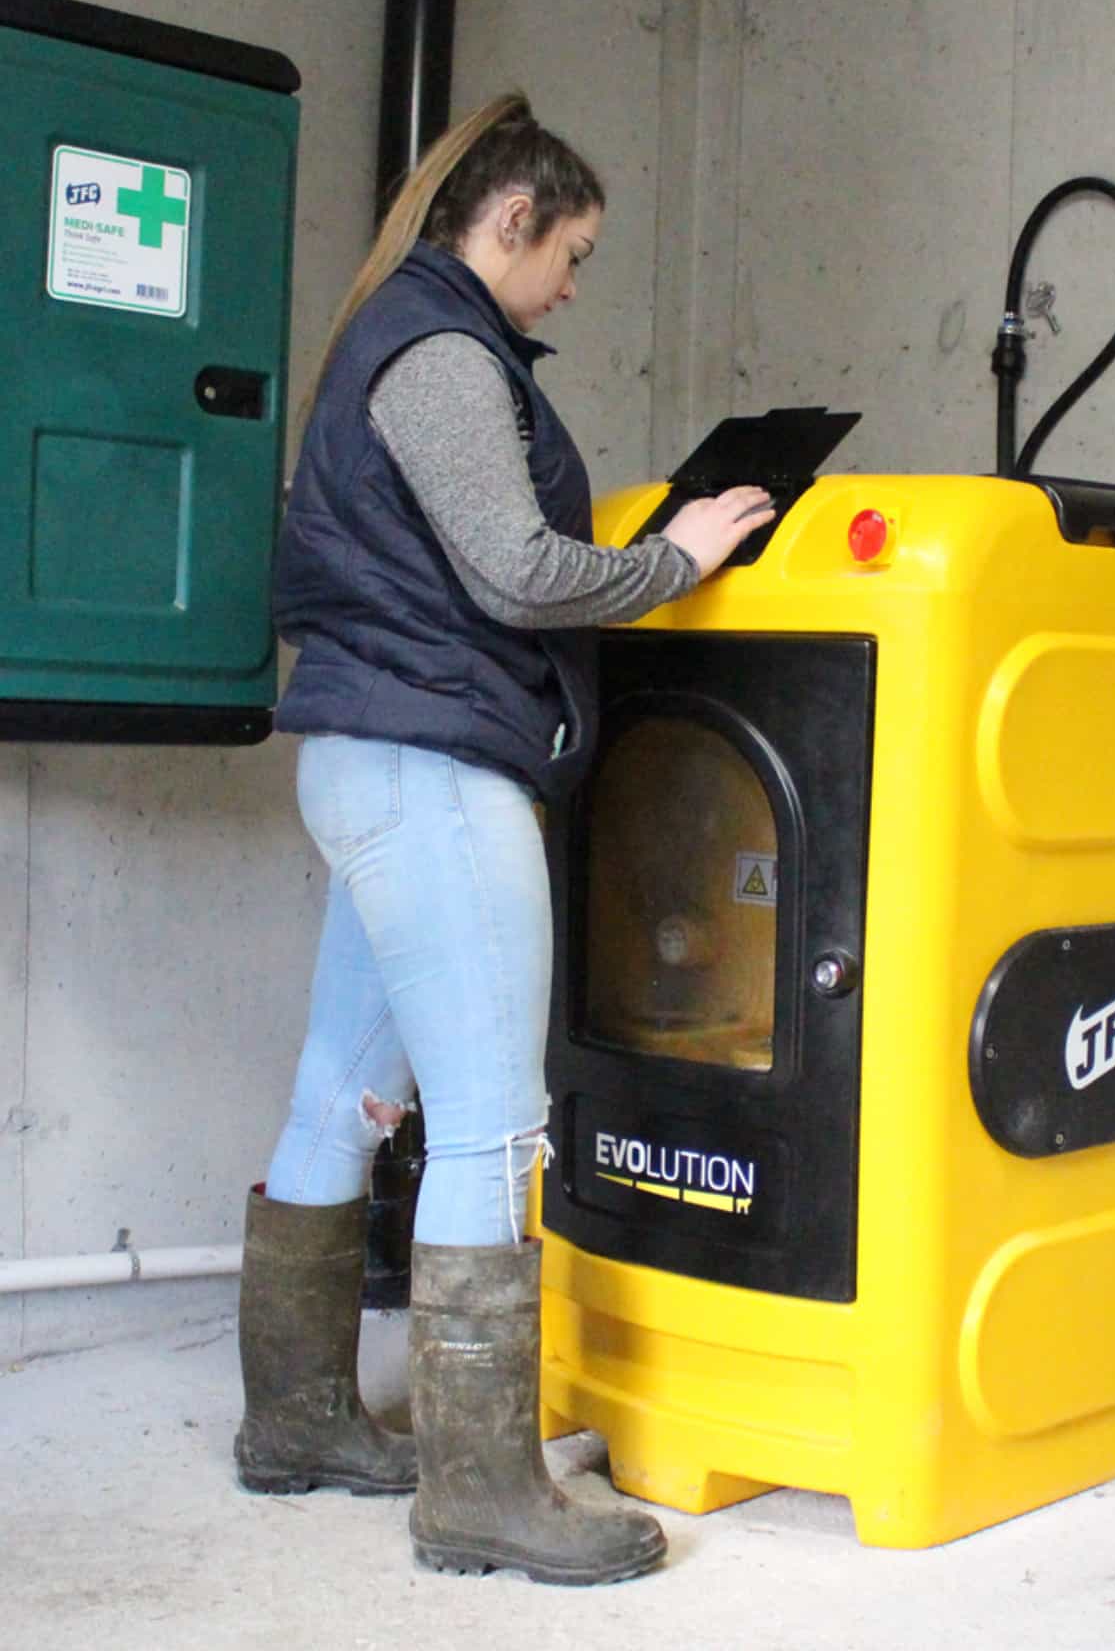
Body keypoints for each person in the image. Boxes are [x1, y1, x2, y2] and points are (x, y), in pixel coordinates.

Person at [235, 92, 774, 1586]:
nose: (575, 288)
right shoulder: (443, 350)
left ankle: (295, 1425)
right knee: (490, 1123)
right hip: (428, 765)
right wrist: (681, 558)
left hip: (368, 756)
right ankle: (482, 1491)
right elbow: (520, 572)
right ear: (513, 221)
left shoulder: (401, 337)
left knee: (342, 1098)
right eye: (575, 253)